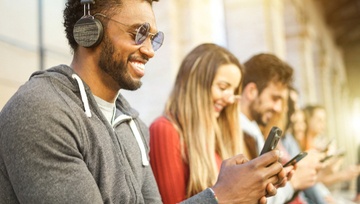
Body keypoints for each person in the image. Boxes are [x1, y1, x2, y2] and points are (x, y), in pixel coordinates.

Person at [0, 1, 287, 204]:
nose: (149, 51)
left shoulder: (133, 125)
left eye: (153, 38)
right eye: (138, 33)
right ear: (90, 30)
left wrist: (240, 195)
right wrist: (221, 196)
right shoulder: (41, 110)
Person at [149, 43, 291, 204]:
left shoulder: (217, 135)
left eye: (233, 91)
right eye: (223, 88)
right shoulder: (164, 130)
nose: (230, 99)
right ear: (196, 84)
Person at [240, 53, 320, 204]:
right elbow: (247, 197)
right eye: (274, 98)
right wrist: (294, 182)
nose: (278, 108)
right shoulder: (236, 131)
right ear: (251, 91)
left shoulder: (254, 130)